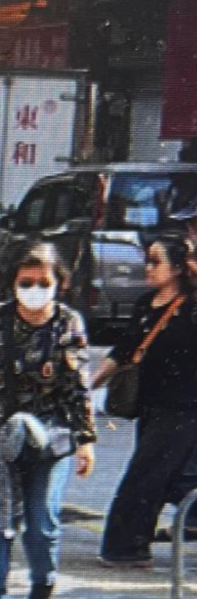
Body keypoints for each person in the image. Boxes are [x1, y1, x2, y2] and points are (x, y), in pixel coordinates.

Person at [0, 241, 97, 599]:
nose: (35, 288)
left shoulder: (67, 324)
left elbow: (77, 385)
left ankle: (42, 584)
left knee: (41, 523)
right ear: (13, 283)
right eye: (27, 281)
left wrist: (85, 439)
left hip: (50, 438)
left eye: (43, 281)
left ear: (59, 283)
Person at [92, 234, 197, 566]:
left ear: (178, 268)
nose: (147, 268)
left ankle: (125, 548)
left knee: (145, 476)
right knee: (176, 479)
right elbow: (123, 350)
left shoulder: (193, 308)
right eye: (146, 260)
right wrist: (89, 384)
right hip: (150, 406)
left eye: (155, 261)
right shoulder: (144, 305)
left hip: (184, 408)